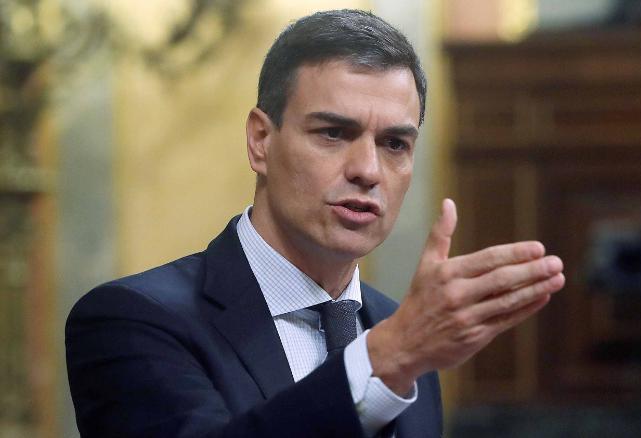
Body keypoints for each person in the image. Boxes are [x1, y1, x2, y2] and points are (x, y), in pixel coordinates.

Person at [65, 9, 565, 438]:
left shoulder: (404, 336)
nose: (367, 171)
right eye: (333, 133)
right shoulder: (132, 320)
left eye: (395, 144)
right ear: (261, 140)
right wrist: (385, 362)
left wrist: (398, 354)